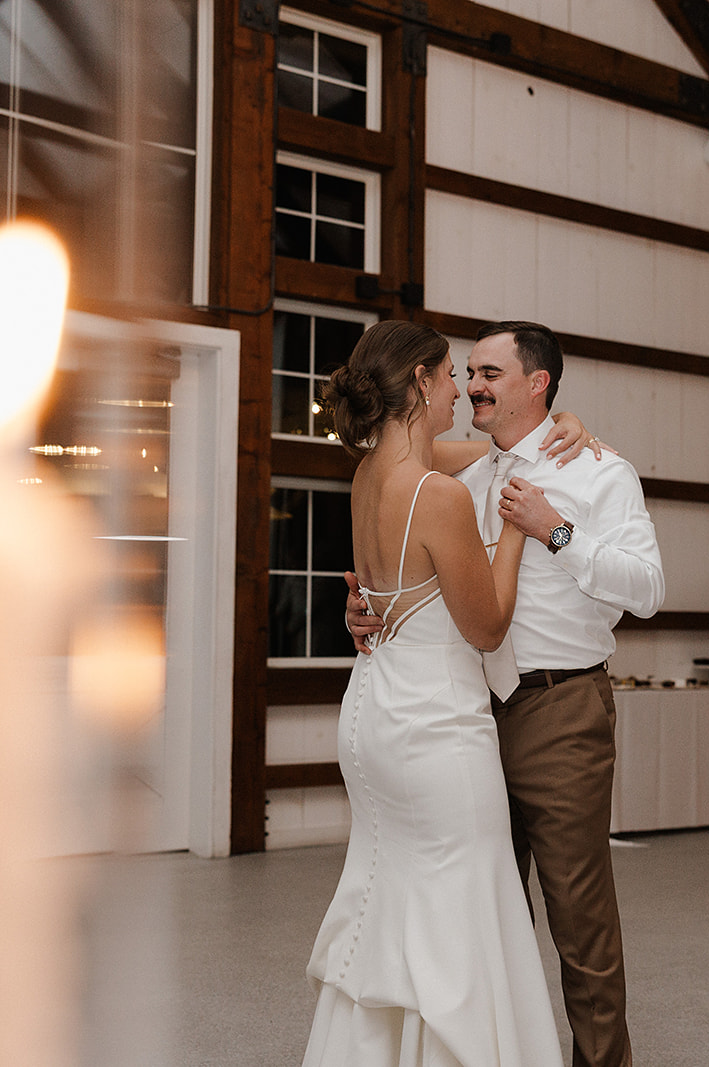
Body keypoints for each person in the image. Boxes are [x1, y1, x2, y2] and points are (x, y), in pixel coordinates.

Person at [351, 321, 664, 1067]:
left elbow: (649, 589)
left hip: (559, 711)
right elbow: (408, 558)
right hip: (470, 713)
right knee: (485, 909)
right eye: (467, 372)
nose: (474, 385)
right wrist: (370, 603)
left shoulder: (599, 472)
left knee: (578, 915)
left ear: (538, 384)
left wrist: (556, 532)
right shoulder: (465, 474)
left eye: (491, 372)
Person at [301, 320, 564, 1067]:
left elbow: (489, 451)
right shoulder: (437, 497)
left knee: (389, 893)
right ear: (418, 382)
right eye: (449, 374)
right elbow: (486, 628)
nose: (460, 389)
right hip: (437, 733)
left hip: (374, 716)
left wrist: (559, 424)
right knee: (460, 913)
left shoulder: (366, 477)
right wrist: (513, 533)